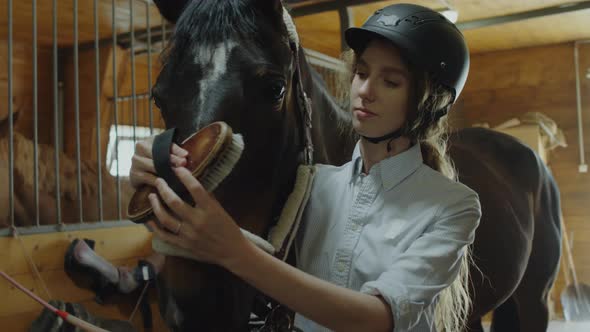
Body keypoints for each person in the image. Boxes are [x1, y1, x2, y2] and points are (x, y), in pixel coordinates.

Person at [131, 3, 481, 331]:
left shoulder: (452, 205)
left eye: (390, 81)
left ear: (430, 102)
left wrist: (235, 251)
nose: (365, 91)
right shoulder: (312, 183)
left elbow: (376, 319)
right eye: (361, 73)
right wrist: (159, 161)